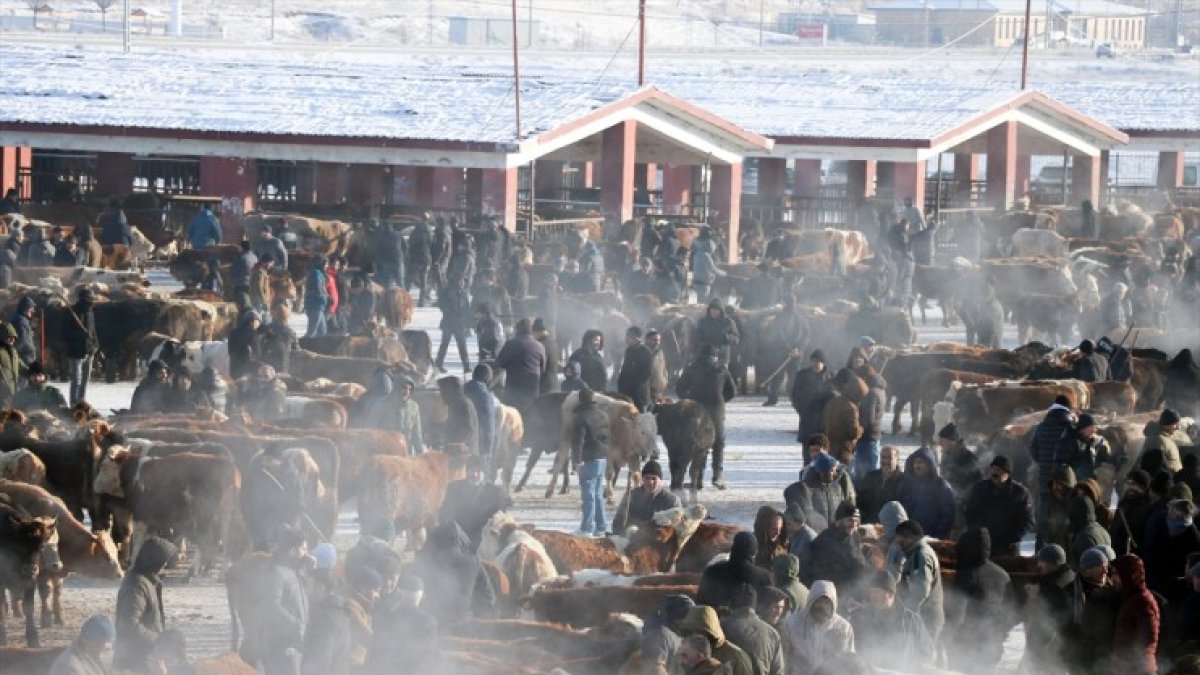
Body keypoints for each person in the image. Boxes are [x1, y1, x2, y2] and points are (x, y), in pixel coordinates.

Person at [944, 527, 1013, 671]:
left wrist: (950, 638)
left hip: (968, 644)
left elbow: (957, 612)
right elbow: (1009, 611)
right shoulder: (1003, 575)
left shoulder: (966, 575)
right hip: (993, 642)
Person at [301, 565, 381, 675]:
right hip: (350, 666)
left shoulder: (358, 606)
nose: (378, 595)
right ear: (363, 587)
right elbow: (368, 636)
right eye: (376, 590)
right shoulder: (351, 606)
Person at [849, 570, 935, 671]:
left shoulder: (911, 620)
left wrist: (913, 668)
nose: (872, 596)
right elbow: (851, 651)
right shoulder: (861, 617)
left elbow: (927, 651)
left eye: (876, 592)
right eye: (871, 592)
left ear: (890, 594)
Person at [676, 344, 736, 490]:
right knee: (718, 443)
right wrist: (721, 400)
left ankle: (697, 479)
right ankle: (718, 475)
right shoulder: (721, 369)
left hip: (697, 411)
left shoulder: (691, 368)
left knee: (698, 445)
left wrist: (689, 399)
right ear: (715, 356)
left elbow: (679, 388)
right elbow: (732, 391)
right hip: (717, 411)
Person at [114, 536, 176, 674]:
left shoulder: (147, 581)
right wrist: (159, 639)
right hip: (136, 660)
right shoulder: (136, 585)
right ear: (154, 561)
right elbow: (129, 624)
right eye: (163, 561)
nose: (165, 565)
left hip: (148, 655)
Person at [251, 527, 309, 675]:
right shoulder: (276, 572)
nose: (306, 553)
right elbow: (271, 606)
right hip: (280, 644)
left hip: (292, 641)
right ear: (293, 550)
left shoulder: (294, 569)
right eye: (303, 549)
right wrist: (296, 624)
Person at [413, 522, 495, 626]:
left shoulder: (427, 562)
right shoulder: (473, 562)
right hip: (463, 622)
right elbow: (489, 599)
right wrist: (465, 606)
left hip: (434, 622)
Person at [365, 574, 439, 675]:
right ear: (421, 596)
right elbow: (426, 657)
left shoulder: (387, 615)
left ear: (399, 594)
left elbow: (376, 648)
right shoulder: (429, 622)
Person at [963, 455, 1035, 557]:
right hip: (982, 545)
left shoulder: (1020, 493)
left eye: (999, 470)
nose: (995, 473)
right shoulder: (979, 489)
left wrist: (1011, 539)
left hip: (1008, 549)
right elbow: (969, 513)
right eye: (993, 469)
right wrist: (976, 533)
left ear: (1008, 473)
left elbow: (1028, 521)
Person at [1021, 544, 1076, 674]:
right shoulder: (1069, 575)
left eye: (1042, 561)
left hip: (1051, 649)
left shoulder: (1054, 589)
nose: (1038, 565)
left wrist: (1033, 599)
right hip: (1064, 647)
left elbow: (1045, 624)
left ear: (1053, 563)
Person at [1067, 546, 1121, 672]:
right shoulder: (1072, 592)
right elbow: (1066, 626)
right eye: (1101, 565)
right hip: (1081, 653)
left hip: (1106, 651)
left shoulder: (1112, 588)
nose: (1106, 569)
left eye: (1106, 565)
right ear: (1087, 571)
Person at [784, 580, 855, 675]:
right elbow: (785, 657)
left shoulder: (843, 627)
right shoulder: (792, 623)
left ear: (833, 603)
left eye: (826, 603)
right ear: (811, 601)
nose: (822, 606)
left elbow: (849, 659)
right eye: (819, 602)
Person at [719, 584, 785, 675]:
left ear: (731, 603)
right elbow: (778, 671)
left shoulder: (722, 627)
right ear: (754, 605)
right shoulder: (772, 633)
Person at [1111, 554, 1161, 675]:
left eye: (1117, 574)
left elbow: (1148, 639)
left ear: (1129, 575)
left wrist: (1130, 663)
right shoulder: (1131, 598)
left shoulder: (1143, 601)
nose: (1113, 578)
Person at [892, 446, 954, 539]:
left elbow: (947, 515)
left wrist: (937, 537)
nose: (917, 465)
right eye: (915, 462)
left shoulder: (941, 486)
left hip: (930, 537)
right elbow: (897, 507)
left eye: (921, 462)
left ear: (930, 465)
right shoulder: (905, 484)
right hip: (906, 538)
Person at [698, 531, 773, 609]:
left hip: (714, 619)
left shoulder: (711, 572)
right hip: (749, 620)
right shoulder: (765, 577)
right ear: (754, 552)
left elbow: (701, 604)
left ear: (733, 547)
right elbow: (768, 608)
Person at [802, 501, 867, 590]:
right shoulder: (824, 542)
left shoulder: (854, 537)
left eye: (856, 521)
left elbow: (860, 561)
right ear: (839, 521)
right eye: (850, 520)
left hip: (855, 590)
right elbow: (821, 575)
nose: (853, 525)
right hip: (834, 592)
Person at [571, 387, 610, 537]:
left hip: (589, 459)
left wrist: (576, 460)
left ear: (580, 400)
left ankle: (586, 528)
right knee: (598, 494)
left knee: (588, 495)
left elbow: (578, 441)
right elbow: (608, 436)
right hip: (602, 458)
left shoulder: (581, 417)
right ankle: (601, 526)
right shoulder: (603, 414)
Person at [760, 294, 807, 408]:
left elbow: (806, 335)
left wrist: (798, 348)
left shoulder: (801, 318)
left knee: (793, 377)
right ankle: (773, 398)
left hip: (795, 353)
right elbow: (779, 334)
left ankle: (794, 399)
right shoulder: (780, 317)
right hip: (781, 351)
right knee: (777, 375)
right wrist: (789, 348)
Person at [678, 606, 754, 675]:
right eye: (690, 632)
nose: (695, 635)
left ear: (711, 632)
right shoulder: (682, 653)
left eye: (700, 631)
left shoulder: (737, 657)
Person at [612, 460, 681, 535]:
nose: (650, 482)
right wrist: (623, 534)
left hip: (658, 542)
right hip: (631, 540)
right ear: (642, 479)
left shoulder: (671, 501)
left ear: (660, 480)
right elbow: (618, 522)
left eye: (654, 478)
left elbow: (677, 529)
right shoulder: (631, 496)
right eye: (647, 478)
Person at [495, 317, 546, 411]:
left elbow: (499, 363)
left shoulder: (510, 344)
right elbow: (543, 368)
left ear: (517, 330)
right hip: (532, 389)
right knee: (530, 417)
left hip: (513, 388)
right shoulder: (540, 346)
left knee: (514, 419)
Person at [797, 451, 856, 529]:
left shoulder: (837, 488)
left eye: (832, 471)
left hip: (834, 531)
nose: (830, 474)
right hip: (815, 531)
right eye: (826, 472)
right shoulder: (807, 488)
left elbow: (844, 507)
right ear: (818, 471)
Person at [366, 375, 424, 454]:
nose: (407, 392)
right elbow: (371, 428)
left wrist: (420, 454)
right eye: (404, 388)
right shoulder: (383, 404)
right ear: (397, 388)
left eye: (410, 389)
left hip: (406, 451)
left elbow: (416, 434)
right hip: (386, 450)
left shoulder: (414, 407)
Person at [63, 287, 98, 406]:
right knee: (76, 380)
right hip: (75, 352)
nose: (92, 301)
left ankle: (81, 401)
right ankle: (73, 404)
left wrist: (96, 344)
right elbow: (65, 333)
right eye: (90, 298)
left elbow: (93, 331)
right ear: (83, 299)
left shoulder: (90, 312)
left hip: (89, 350)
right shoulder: (72, 312)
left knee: (85, 380)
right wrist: (80, 334)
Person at [50, 614, 115, 675]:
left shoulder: (93, 657)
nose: (109, 647)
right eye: (104, 642)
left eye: (110, 642)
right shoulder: (69, 668)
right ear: (88, 641)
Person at [790, 350, 831, 443]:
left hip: (825, 420)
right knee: (807, 450)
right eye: (814, 361)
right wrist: (802, 410)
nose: (816, 364)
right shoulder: (802, 375)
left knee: (823, 450)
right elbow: (794, 395)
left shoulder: (830, 377)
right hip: (807, 418)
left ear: (823, 363)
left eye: (819, 362)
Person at [1058, 412, 1111, 483]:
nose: (1093, 431)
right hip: (1075, 484)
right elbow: (1063, 464)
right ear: (1083, 428)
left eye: (1093, 427)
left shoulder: (1090, 440)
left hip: (1088, 482)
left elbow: (1102, 455)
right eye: (1090, 428)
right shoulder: (1071, 441)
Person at [464, 364, 497, 478]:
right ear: (487, 377)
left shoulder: (464, 388)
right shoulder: (484, 394)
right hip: (482, 437)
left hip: (466, 435)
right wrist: (488, 447)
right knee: (483, 468)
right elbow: (489, 422)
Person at [1112, 468, 1154, 556]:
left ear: (1143, 487)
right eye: (1128, 483)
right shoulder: (1122, 504)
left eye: (1134, 484)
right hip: (1118, 554)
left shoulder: (1149, 508)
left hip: (1137, 557)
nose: (1130, 487)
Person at [434, 275, 471, 373]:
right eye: (460, 281)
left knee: (462, 346)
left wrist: (468, 324)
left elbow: (467, 309)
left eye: (463, 281)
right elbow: (441, 303)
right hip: (448, 323)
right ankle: (438, 364)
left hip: (460, 324)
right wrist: (448, 312)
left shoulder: (464, 293)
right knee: (444, 344)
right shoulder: (448, 291)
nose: (462, 283)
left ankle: (466, 366)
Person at [436, 375, 480, 454]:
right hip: (458, 451)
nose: (442, 395)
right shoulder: (456, 403)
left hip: (463, 453)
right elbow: (453, 425)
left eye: (443, 391)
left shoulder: (463, 405)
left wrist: (454, 446)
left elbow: (468, 429)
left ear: (450, 391)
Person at [617, 325, 654, 412]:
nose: (626, 338)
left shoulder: (644, 351)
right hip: (626, 392)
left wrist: (636, 386)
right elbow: (625, 369)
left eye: (628, 336)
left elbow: (647, 373)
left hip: (639, 395)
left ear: (635, 337)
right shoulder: (629, 350)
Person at [694, 298, 739, 367]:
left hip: (722, 358)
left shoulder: (728, 322)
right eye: (712, 309)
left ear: (721, 311)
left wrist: (726, 337)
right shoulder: (703, 321)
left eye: (716, 310)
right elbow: (697, 337)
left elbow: (736, 339)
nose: (713, 312)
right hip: (705, 357)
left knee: (720, 376)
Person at [1143, 408, 1185, 474]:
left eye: (1178, 424)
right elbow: (1154, 467)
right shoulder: (1158, 440)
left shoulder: (1165, 437)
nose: (1178, 428)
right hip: (1164, 481)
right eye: (1175, 424)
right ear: (1166, 424)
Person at [228, 311, 263, 381]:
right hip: (247, 372)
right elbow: (256, 355)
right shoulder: (252, 335)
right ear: (253, 321)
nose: (258, 325)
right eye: (258, 322)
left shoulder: (233, 333)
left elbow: (230, 351)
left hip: (233, 368)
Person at [752, 506, 788, 570]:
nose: (778, 533)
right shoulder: (752, 545)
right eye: (774, 529)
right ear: (763, 528)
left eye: (780, 529)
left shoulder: (783, 543)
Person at [303, 256, 329, 338]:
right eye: (326, 264)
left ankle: (319, 347)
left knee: (322, 332)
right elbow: (317, 287)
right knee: (312, 331)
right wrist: (324, 296)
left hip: (320, 307)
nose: (327, 266)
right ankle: (304, 346)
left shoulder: (318, 273)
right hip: (315, 306)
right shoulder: (315, 273)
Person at [532, 318, 559, 395]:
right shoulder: (553, 343)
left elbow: (539, 365)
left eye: (533, 333)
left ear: (538, 331)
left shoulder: (541, 345)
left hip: (544, 383)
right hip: (553, 381)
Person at [647, 329, 670, 405]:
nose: (657, 342)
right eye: (654, 340)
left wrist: (665, 380)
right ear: (647, 340)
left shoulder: (660, 352)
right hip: (648, 391)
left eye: (659, 340)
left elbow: (664, 368)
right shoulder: (643, 352)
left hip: (659, 390)